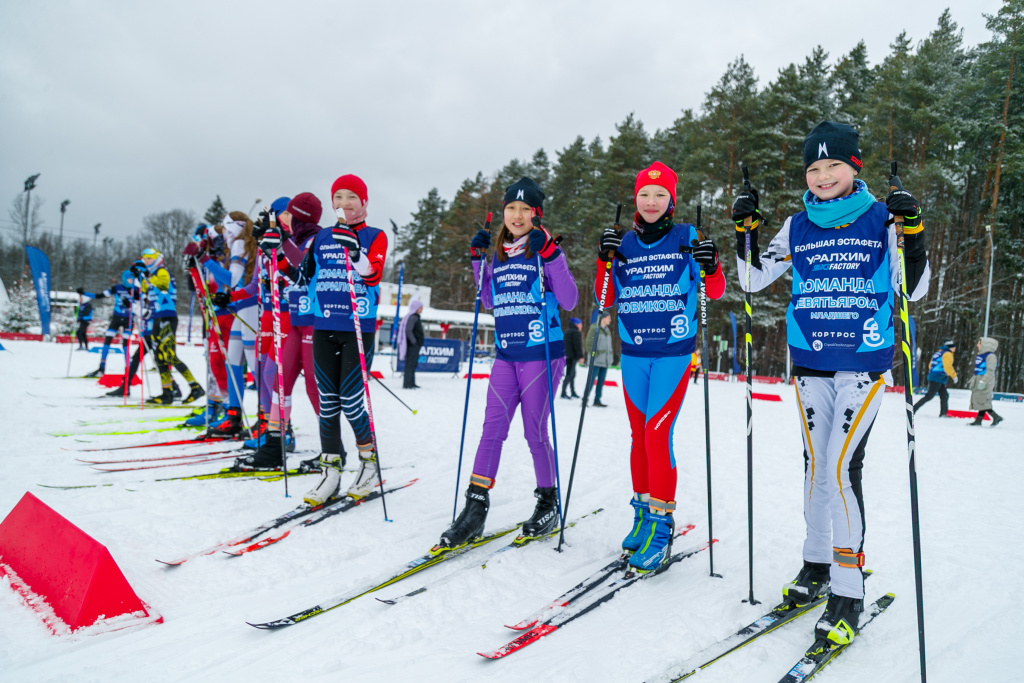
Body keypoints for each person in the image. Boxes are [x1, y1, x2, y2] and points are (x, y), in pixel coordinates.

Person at [732, 121, 930, 648]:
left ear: (854, 168)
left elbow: (917, 286)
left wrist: (913, 230)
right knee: (817, 468)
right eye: (814, 168)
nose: (822, 176)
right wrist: (744, 231)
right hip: (811, 363)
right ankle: (816, 563)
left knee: (842, 469)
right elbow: (753, 278)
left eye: (833, 166)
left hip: (863, 363)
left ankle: (847, 590)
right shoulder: (797, 225)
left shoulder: (880, 219)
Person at [596, 161, 725, 573]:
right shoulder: (625, 243)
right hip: (633, 353)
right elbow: (605, 297)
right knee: (638, 436)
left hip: (672, 352)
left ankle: (661, 523)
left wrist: (711, 263)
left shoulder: (687, 237)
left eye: (660, 195)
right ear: (636, 199)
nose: (651, 202)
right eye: (644, 195)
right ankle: (641, 514)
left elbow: (715, 290)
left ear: (672, 199)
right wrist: (604, 259)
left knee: (656, 433)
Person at [439, 177, 578, 551]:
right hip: (506, 355)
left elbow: (568, 300)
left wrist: (551, 255)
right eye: (510, 208)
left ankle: (548, 503)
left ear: (537, 214)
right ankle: (475, 508)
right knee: (491, 431)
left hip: (541, 356)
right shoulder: (499, 251)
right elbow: (488, 300)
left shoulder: (543, 249)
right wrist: (476, 260)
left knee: (534, 432)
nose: (516, 215)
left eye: (525, 209)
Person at [283, 174, 388, 505]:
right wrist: (280, 248)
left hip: (358, 328)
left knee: (352, 402)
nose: (344, 204)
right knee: (327, 403)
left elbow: (373, 274)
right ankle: (331, 473)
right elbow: (302, 275)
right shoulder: (323, 236)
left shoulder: (376, 235)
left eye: (351, 197)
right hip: (323, 327)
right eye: (338, 197)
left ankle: (369, 465)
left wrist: (355, 251)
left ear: (364, 203)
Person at [136, 248, 205, 405]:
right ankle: (166, 392)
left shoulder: (162, 271)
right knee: (159, 357)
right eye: (144, 259)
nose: (146, 261)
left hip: (167, 317)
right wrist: (140, 278)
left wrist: (146, 276)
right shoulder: (151, 275)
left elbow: (163, 285)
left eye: (149, 258)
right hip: (156, 318)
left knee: (169, 356)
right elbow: (145, 292)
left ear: (156, 259)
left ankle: (195, 387)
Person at [82, 274, 134, 377]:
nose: (131, 281)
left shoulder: (136, 289)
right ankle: (101, 367)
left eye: (133, 279)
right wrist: (84, 293)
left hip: (129, 319)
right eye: (129, 279)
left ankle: (129, 368)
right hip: (116, 318)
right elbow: (100, 295)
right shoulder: (117, 288)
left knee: (125, 344)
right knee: (107, 341)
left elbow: (144, 302)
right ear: (124, 279)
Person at [913, 339, 957, 417]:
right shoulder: (947, 354)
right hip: (938, 377)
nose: (955, 348)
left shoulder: (938, 353)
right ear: (949, 347)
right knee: (929, 396)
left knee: (944, 395)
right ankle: (913, 409)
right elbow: (948, 367)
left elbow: (930, 365)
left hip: (935, 376)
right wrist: (954, 376)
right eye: (953, 347)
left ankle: (943, 413)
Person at [968, 337, 1003, 427]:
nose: (977, 345)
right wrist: (973, 381)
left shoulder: (991, 356)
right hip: (979, 379)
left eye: (979, 343)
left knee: (982, 401)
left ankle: (994, 417)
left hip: (986, 381)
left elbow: (990, 370)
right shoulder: (980, 355)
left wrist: (983, 381)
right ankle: (981, 420)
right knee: (981, 401)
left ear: (985, 345)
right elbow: (977, 370)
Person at [399, 300, 424, 389]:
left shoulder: (415, 317)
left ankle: (411, 382)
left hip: (414, 345)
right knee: (410, 364)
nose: (422, 309)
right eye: (421, 307)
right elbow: (408, 330)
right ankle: (407, 383)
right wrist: (414, 342)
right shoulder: (413, 317)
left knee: (413, 364)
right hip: (412, 346)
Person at [590, 311, 613, 407]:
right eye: (609, 318)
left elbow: (609, 346)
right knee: (591, 381)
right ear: (603, 318)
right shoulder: (595, 328)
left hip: (605, 361)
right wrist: (596, 355)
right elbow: (589, 343)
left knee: (600, 382)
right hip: (596, 361)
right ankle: (585, 399)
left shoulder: (607, 330)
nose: (610, 320)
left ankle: (597, 400)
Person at [560, 317, 583, 398]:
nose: (581, 326)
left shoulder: (567, 331)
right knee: (570, 375)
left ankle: (572, 391)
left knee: (571, 374)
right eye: (580, 324)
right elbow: (577, 345)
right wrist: (580, 356)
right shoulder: (576, 332)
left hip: (566, 355)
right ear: (576, 324)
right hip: (572, 357)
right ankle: (563, 392)